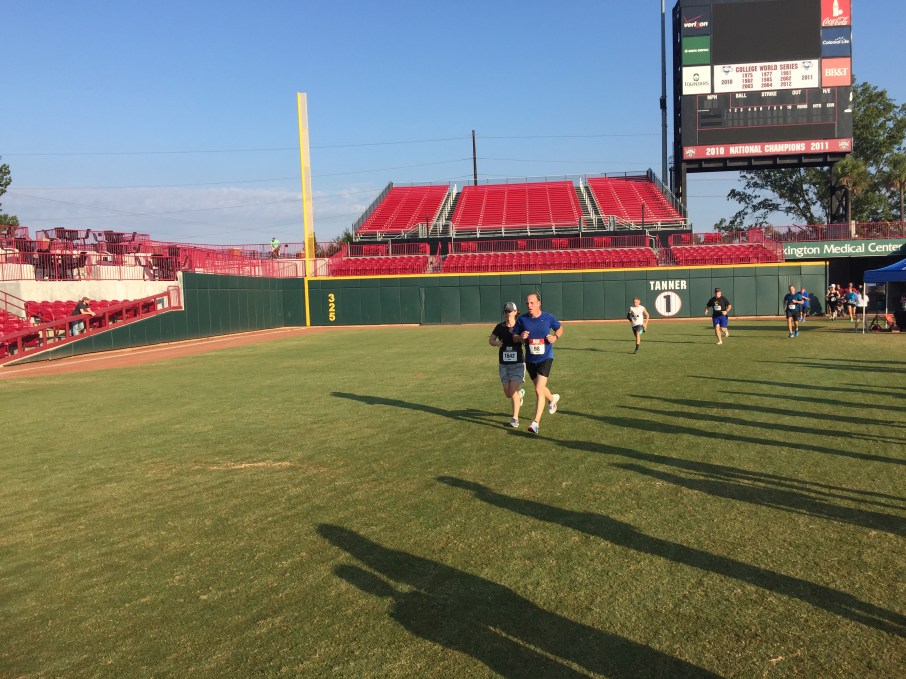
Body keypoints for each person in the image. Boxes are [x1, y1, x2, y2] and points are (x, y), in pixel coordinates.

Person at [512, 292, 562, 435]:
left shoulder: (548, 318)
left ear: (539, 303)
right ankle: (552, 399)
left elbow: (559, 328)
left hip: (545, 358)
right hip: (530, 360)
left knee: (539, 390)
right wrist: (520, 336)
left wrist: (555, 337)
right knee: (540, 388)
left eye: (532, 303)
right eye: (527, 303)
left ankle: (535, 423)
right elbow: (514, 336)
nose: (529, 305)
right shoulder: (522, 320)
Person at [489, 301, 525, 428]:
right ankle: (519, 395)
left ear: (515, 312)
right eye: (506, 311)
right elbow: (491, 339)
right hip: (503, 365)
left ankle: (515, 418)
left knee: (513, 390)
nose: (508, 313)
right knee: (508, 394)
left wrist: (524, 339)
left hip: (518, 363)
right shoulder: (500, 327)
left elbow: (525, 341)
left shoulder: (520, 326)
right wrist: (496, 343)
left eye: (510, 311)